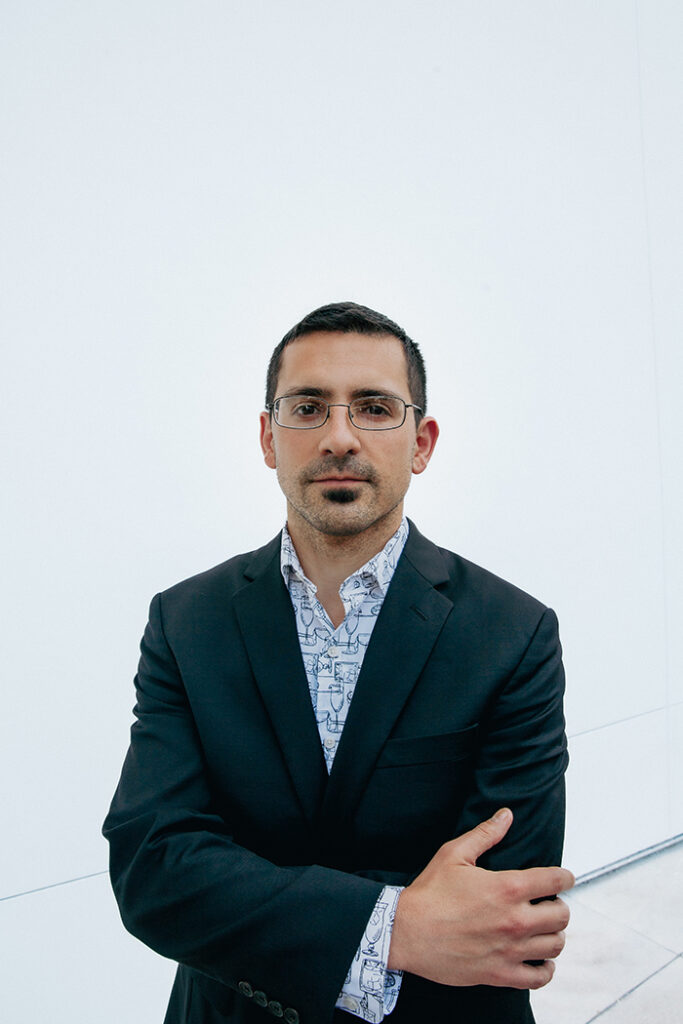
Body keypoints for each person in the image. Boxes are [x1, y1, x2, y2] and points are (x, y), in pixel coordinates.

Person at [104, 301, 573, 1024]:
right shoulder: (185, 621)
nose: (338, 437)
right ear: (268, 437)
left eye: (375, 407)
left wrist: (259, 902)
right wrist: (397, 926)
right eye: (308, 407)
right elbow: (154, 870)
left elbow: (507, 903)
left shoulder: (511, 632)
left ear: (421, 441)